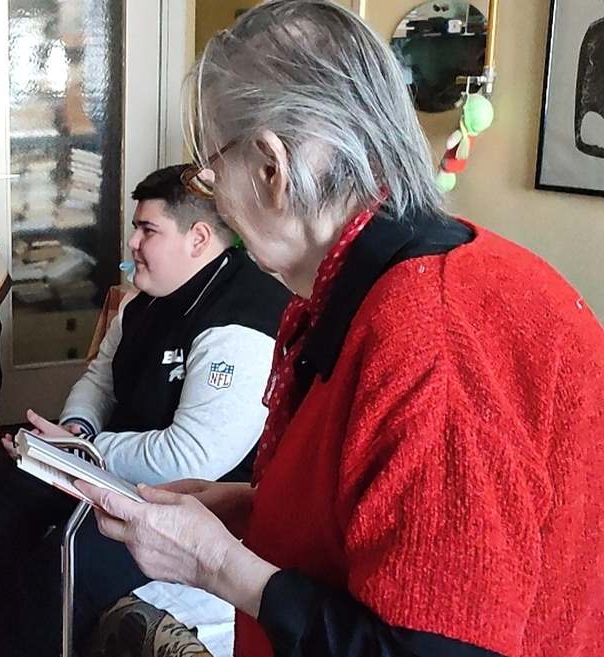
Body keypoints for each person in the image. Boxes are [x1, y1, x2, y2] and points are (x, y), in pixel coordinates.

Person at [81, 2, 604, 657]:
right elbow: (389, 506)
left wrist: (215, 564)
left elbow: (426, 648)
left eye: (210, 171)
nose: (214, 196)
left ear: (271, 167)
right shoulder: (383, 280)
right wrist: (257, 506)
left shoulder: (431, 337)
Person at [0, 165, 289, 657]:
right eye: (135, 227)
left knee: (63, 563)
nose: (132, 242)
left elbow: (191, 458)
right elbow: (99, 379)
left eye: (147, 230)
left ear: (197, 239)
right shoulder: (145, 300)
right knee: (9, 490)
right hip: (114, 475)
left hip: (188, 502)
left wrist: (81, 450)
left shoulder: (242, 324)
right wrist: (75, 427)